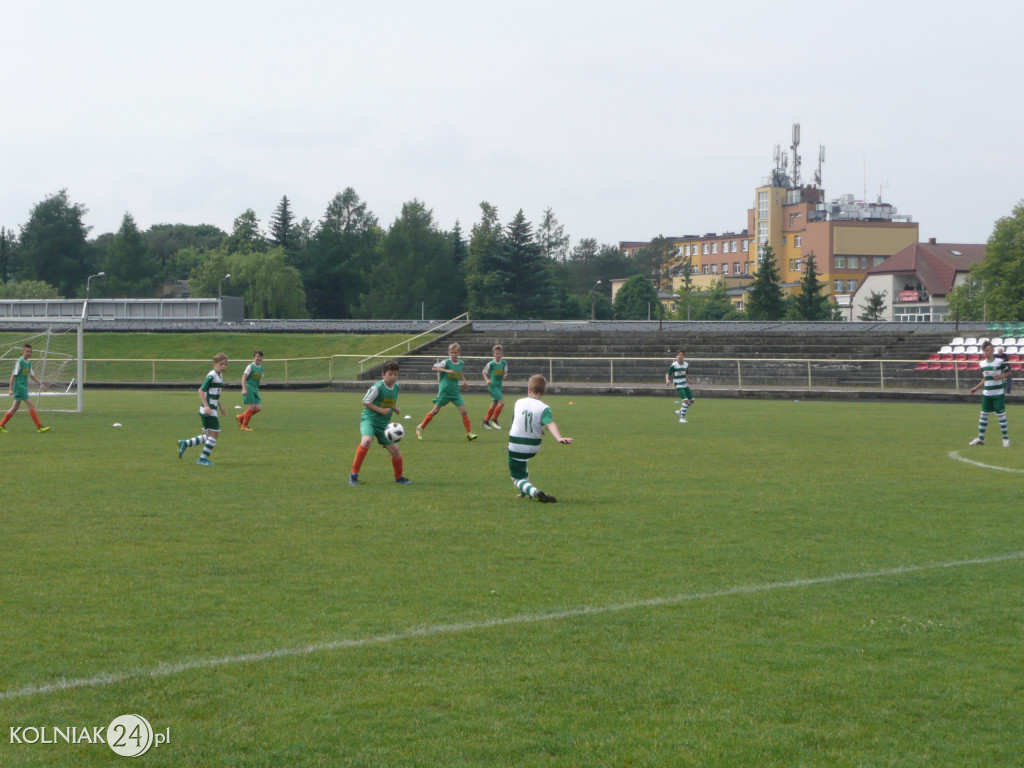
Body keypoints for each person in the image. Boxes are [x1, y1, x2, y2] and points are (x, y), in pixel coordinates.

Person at [507, 374, 572, 503]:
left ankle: (533, 491)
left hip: (516, 444)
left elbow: (517, 421)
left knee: (516, 479)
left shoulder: (518, 402)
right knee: (522, 463)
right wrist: (559, 438)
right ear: (544, 392)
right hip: (533, 446)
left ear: (528, 389)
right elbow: (550, 423)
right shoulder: (544, 407)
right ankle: (524, 491)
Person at [349, 360, 410, 485]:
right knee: (366, 441)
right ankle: (353, 475)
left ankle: (399, 478)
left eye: (395, 374)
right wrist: (380, 410)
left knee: (395, 450)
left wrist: (395, 408)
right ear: (383, 375)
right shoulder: (377, 387)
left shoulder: (396, 387)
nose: (393, 377)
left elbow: (389, 402)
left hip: (384, 425)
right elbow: (365, 402)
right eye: (390, 374)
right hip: (369, 420)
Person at [416, 342, 477, 441]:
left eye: (455, 352)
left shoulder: (461, 363)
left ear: (459, 353)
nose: (453, 354)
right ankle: (420, 427)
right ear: (448, 353)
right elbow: (434, 368)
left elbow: (459, 372)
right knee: (435, 411)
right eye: (452, 352)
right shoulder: (445, 363)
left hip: (455, 392)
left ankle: (469, 433)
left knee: (464, 411)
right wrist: (446, 371)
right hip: (444, 391)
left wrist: (464, 380)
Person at [178, 353, 228, 466]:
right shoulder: (212, 375)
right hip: (208, 410)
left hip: (212, 409)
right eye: (221, 364)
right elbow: (201, 391)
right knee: (215, 434)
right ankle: (202, 459)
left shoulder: (219, 375)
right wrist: (206, 406)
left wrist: (220, 406)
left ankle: (185, 443)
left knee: (209, 435)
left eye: (225, 364)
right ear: (214, 364)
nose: (223, 366)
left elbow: (214, 393)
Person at [0, 344, 51, 433]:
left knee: (15, 407)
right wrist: (10, 389)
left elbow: (32, 376)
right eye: (27, 351)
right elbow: (13, 375)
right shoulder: (20, 362)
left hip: (23, 386)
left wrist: (41, 384)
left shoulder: (29, 363)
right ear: (23, 351)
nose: (29, 353)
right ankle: (39, 427)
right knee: (31, 405)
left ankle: (1, 425)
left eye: (30, 351)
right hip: (19, 386)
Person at [968, 341, 1010, 447]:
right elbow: (985, 378)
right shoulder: (982, 364)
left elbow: (1008, 373)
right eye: (984, 350)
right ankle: (980, 438)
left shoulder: (1000, 362)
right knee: (983, 415)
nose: (985, 352)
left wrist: (1000, 377)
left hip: (998, 393)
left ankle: (1005, 439)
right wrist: (976, 388)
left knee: (1001, 416)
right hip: (987, 394)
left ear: (992, 350)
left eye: (987, 350)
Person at [236, 350, 265, 431]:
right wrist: (244, 389)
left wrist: (257, 389)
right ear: (254, 358)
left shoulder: (262, 368)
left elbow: (258, 380)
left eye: (261, 357)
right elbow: (244, 377)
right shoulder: (250, 366)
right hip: (249, 387)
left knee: (258, 408)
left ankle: (241, 417)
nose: (259, 358)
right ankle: (244, 425)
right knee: (252, 406)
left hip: (255, 388)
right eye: (257, 357)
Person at [481, 344, 507, 430]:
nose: (498, 355)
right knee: (502, 402)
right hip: (492, 386)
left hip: (499, 385)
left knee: (494, 404)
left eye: (499, 353)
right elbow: (484, 372)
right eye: (496, 353)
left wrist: (505, 375)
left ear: (502, 354)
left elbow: (505, 372)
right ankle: (494, 420)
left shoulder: (504, 363)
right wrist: (487, 380)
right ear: (493, 354)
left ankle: (485, 421)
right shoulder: (491, 363)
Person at [665, 349, 694, 423]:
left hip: (684, 384)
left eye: (681, 355)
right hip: (678, 384)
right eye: (678, 355)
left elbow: (685, 374)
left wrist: (689, 380)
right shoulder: (674, 365)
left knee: (692, 400)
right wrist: (668, 380)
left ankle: (680, 411)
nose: (680, 357)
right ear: (676, 356)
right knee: (685, 400)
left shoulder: (686, 364)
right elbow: (668, 373)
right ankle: (682, 418)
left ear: (684, 356)